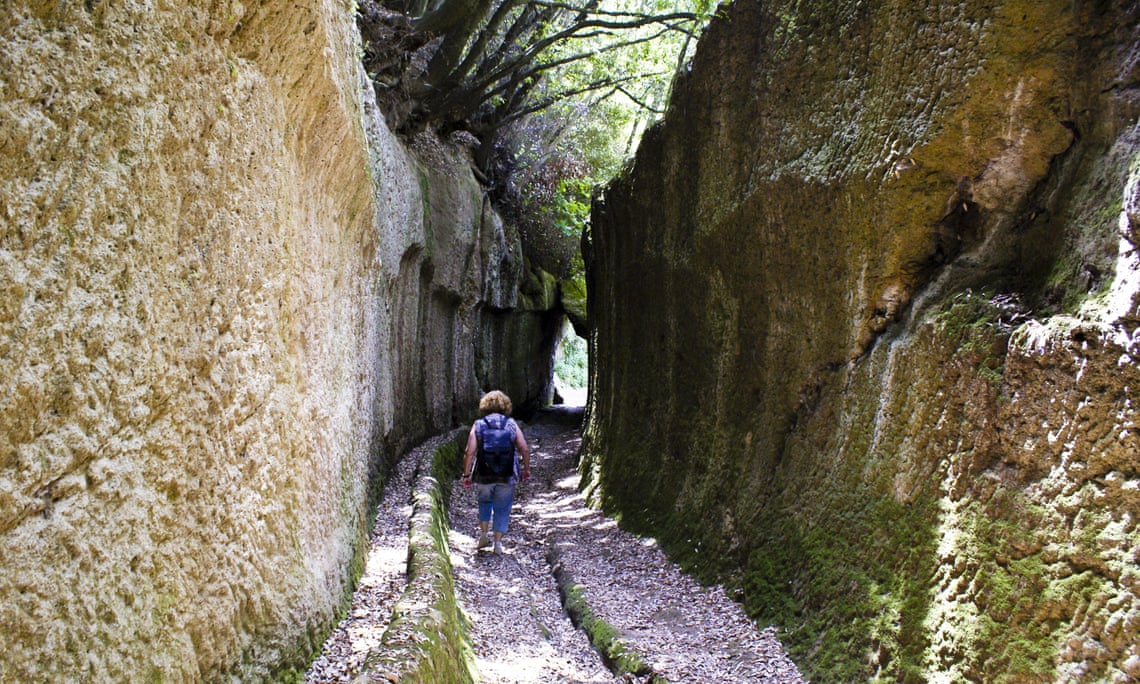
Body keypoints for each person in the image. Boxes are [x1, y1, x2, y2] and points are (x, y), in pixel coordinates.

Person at [461, 390, 531, 554]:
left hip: (484, 473)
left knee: (484, 501)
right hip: (507, 473)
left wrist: (466, 474)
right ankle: (498, 543)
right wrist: (526, 469)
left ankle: (484, 534)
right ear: (505, 406)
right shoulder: (511, 424)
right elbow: (524, 448)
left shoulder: (479, 424)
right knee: (503, 507)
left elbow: (469, 451)